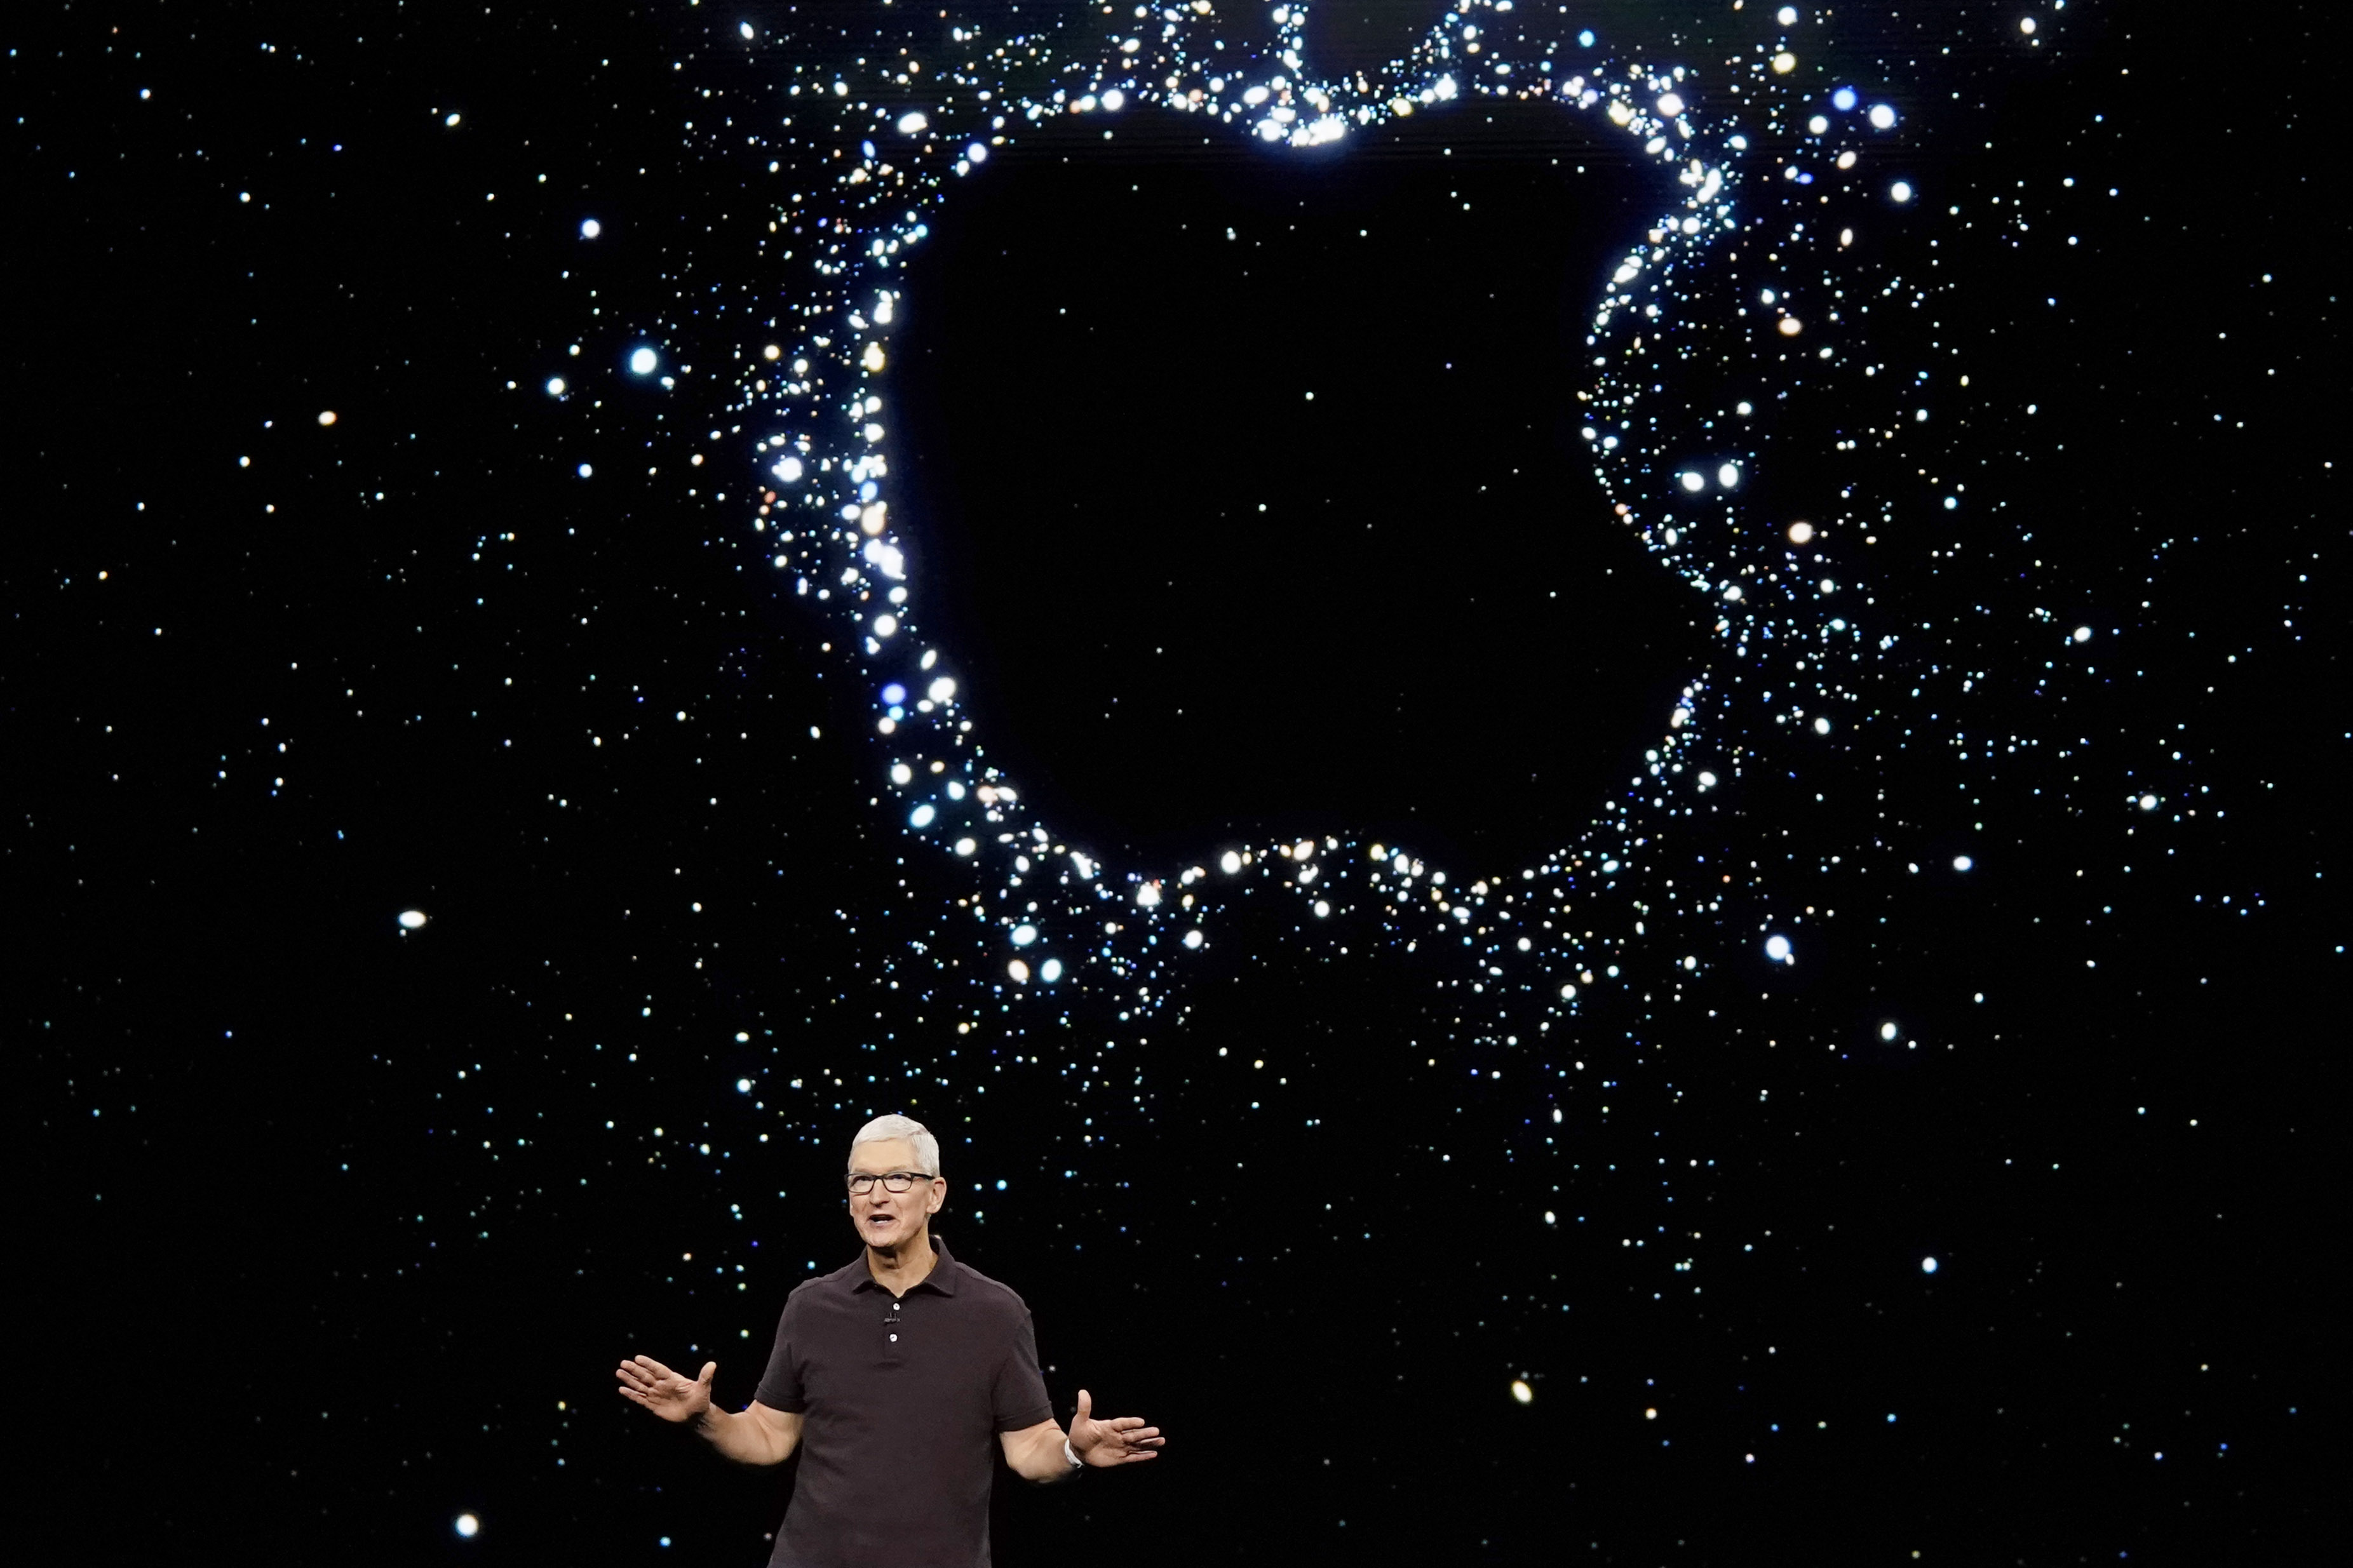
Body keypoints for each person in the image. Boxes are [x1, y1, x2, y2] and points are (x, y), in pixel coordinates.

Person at [617, 1113, 1164, 1565]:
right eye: (862, 1180)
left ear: (935, 1194)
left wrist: (1074, 1450)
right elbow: (767, 1436)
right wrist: (704, 1415)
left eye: (898, 1178)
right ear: (850, 1197)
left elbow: (1028, 1449)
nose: (878, 1194)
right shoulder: (810, 1305)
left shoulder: (997, 1311)